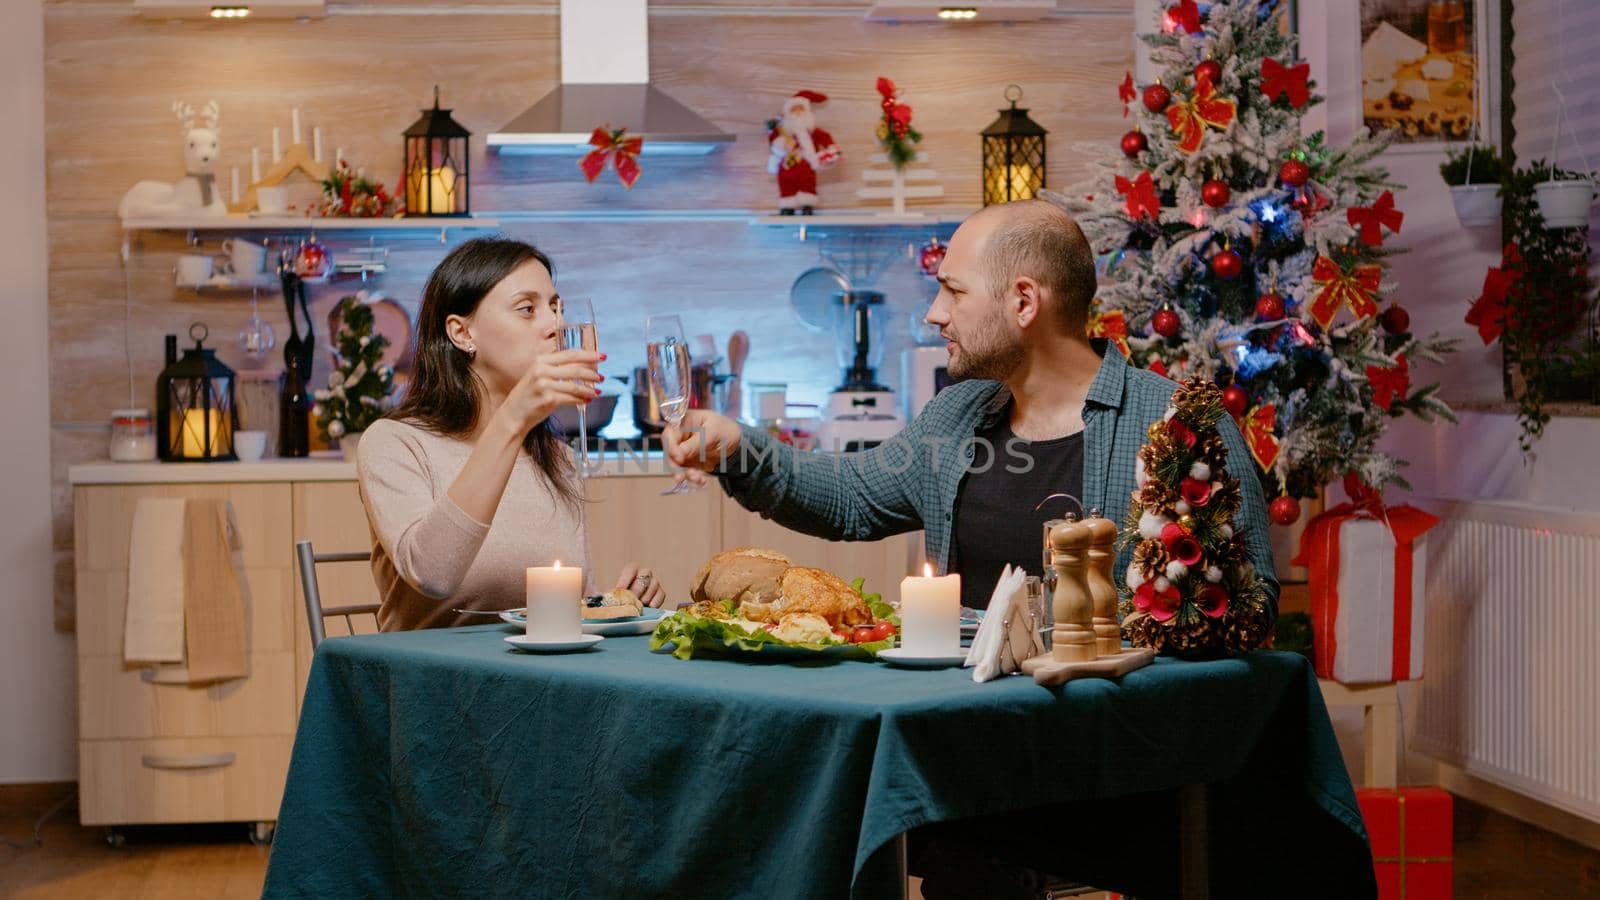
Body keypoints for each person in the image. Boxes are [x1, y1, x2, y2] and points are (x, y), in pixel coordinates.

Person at [664, 199, 1277, 614]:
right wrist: (736, 448)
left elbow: (1250, 605)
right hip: (967, 739)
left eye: (953, 291)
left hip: (1112, 761)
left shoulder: (1178, 428)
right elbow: (850, 496)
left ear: (1024, 302)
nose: (934, 314)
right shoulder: (958, 416)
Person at [357, 237, 665, 631]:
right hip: (433, 681)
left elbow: (565, 609)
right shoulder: (394, 444)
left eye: (556, 307)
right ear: (461, 333)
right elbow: (432, 575)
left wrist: (617, 603)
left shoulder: (554, 455)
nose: (555, 325)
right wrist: (512, 419)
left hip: (537, 678)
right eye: (527, 309)